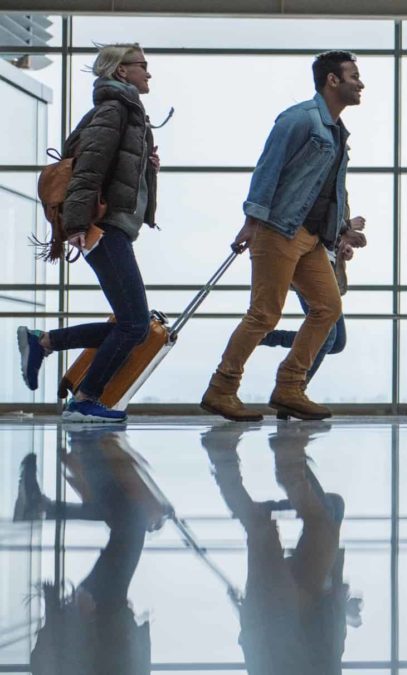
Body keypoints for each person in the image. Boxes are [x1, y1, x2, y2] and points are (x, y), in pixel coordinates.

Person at [201, 50, 365, 422]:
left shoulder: (337, 132)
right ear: (332, 80)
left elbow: (330, 188)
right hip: (278, 230)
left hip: (310, 238)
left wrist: (341, 230)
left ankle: (290, 387)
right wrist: (252, 220)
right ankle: (221, 389)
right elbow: (268, 168)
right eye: (354, 76)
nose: (361, 83)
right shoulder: (300, 119)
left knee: (327, 307)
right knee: (264, 315)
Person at [17, 43, 161, 423]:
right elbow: (88, 170)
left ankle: (44, 343)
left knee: (134, 324)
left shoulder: (127, 113)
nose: (148, 73)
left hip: (113, 227)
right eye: (141, 66)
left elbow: (113, 168)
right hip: (104, 227)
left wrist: (148, 166)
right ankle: (85, 398)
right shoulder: (114, 110)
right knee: (134, 325)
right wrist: (79, 224)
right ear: (121, 72)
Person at [202, 421, 357, 674]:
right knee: (319, 528)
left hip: (278, 627)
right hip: (308, 619)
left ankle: (228, 456)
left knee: (264, 530)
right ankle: (286, 459)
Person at [17, 428, 157, 674]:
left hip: (101, 612)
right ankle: (44, 503)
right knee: (128, 520)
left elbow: (48, 663)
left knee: (132, 521)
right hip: (105, 614)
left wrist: (64, 618)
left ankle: (87, 445)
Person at [258, 213, 366, 382]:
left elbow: (328, 236)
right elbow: (311, 221)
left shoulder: (339, 190)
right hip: (310, 267)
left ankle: (267, 337)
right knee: (326, 337)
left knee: (337, 342)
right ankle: (293, 386)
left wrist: (341, 247)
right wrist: (347, 226)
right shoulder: (318, 186)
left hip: (328, 269)